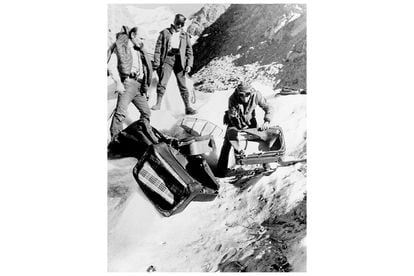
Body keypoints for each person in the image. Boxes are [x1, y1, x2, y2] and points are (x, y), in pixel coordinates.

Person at [216, 82, 274, 177]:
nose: (245, 98)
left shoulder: (257, 95)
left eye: (247, 95)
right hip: (234, 122)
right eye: (241, 96)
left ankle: (266, 164)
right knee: (228, 144)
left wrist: (267, 121)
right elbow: (233, 117)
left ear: (251, 93)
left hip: (250, 121)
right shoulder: (232, 99)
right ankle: (221, 170)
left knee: (258, 141)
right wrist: (241, 131)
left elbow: (268, 107)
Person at [108, 26, 153, 139]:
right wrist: (118, 82)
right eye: (141, 38)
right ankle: (115, 141)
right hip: (127, 83)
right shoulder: (121, 46)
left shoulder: (139, 50)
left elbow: (144, 69)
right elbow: (111, 65)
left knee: (146, 112)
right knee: (120, 114)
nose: (142, 41)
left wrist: (145, 87)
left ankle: (143, 135)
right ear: (132, 35)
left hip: (139, 85)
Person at [152, 14, 197, 115]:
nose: (179, 26)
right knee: (162, 82)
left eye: (182, 24)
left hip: (180, 61)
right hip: (167, 58)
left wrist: (189, 64)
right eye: (178, 24)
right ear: (174, 22)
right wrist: (157, 62)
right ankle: (158, 104)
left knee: (183, 85)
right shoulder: (165, 33)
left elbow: (190, 51)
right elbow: (158, 49)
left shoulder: (185, 35)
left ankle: (188, 107)